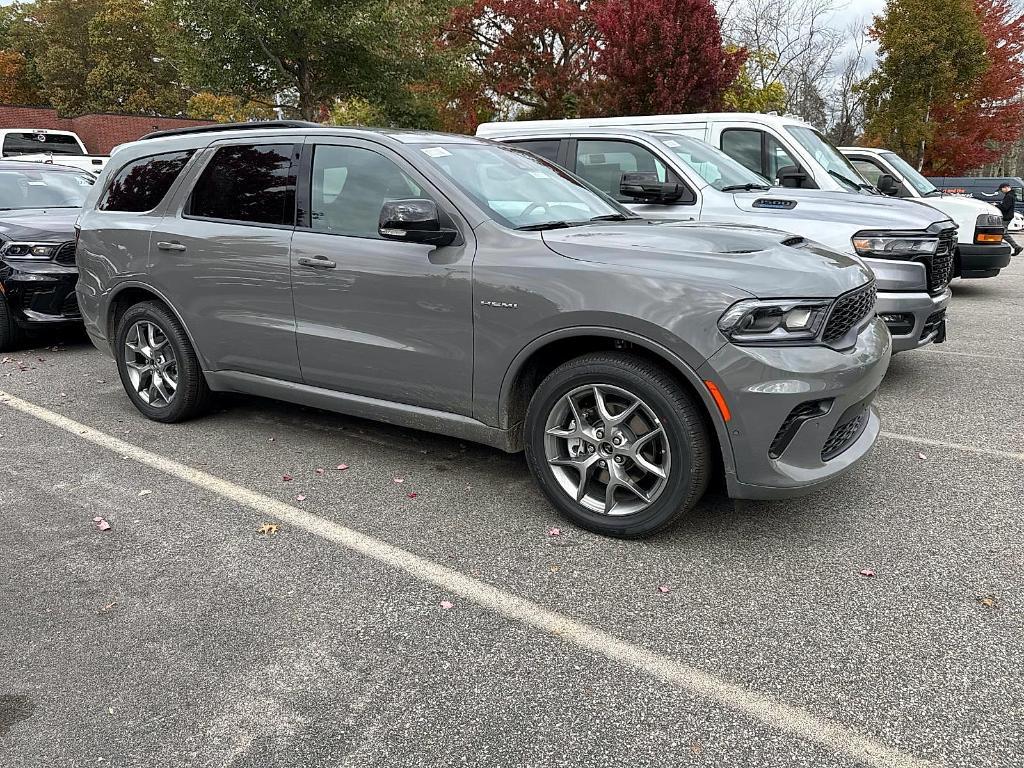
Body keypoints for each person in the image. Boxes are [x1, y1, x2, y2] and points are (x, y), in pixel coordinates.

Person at [996, 182, 1023, 256]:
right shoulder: (1010, 195)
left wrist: (997, 205)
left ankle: (1016, 247)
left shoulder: (1009, 196)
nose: (1001, 191)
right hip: (1008, 216)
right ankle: (999, 247)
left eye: (1001, 189)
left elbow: (1005, 207)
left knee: (1002, 232)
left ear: (1006, 187)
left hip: (1006, 217)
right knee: (1001, 232)